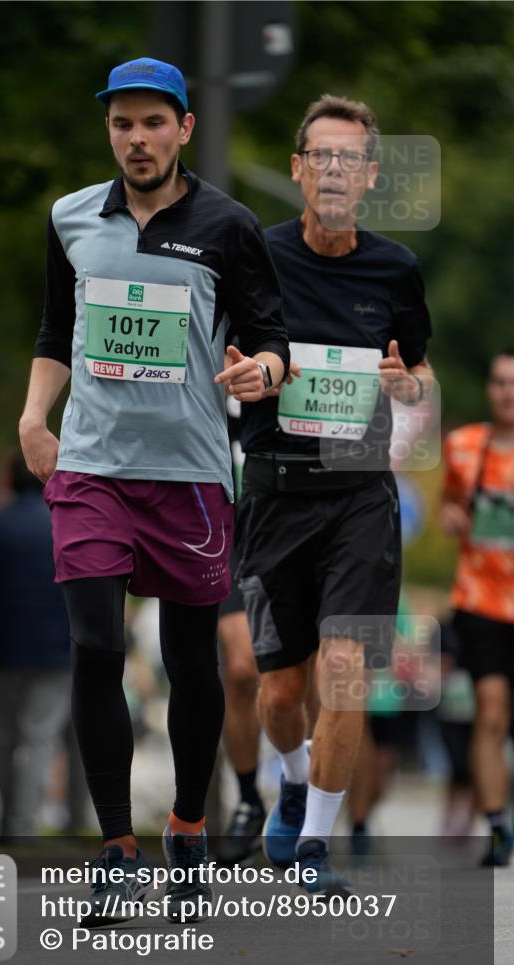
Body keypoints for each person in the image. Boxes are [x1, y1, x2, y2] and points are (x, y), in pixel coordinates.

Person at [19, 58, 289, 925]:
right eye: (121, 125)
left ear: (182, 128)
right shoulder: (69, 217)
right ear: (109, 131)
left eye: (151, 123)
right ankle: (113, 851)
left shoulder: (229, 224)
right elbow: (57, 329)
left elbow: (268, 336)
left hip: (190, 476)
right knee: (95, 647)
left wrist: (262, 370)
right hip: (93, 465)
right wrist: (33, 414)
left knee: (189, 662)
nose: (136, 139)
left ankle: (185, 825)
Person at [236, 95, 434, 893]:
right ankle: (290, 777)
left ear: (369, 176)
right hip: (276, 490)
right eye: (319, 155)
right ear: (296, 168)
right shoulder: (258, 255)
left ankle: (314, 846)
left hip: (358, 494)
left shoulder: (395, 269)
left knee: (345, 672)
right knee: (280, 691)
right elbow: (227, 346)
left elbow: (417, 377)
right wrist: (247, 372)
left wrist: (405, 386)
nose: (332, 170)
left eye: (347, 158)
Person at [439, 349, 514, 865]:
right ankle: (496, 826)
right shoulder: (464, 446)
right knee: (489, 711)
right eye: (500, 382)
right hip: (480, 599)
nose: (507, 392)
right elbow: (448, 500)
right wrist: (450, 516)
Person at [0, 454, 72, 842]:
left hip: (0, 650)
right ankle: (25, 825)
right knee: (39, 739)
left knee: (5, 739)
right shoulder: (63, 525)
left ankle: (5, 825)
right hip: (54, 653)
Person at [215, 392, 265, 864]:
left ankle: (302, 791)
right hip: (226, 537)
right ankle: (249, 797)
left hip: (287, 524)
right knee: (242, 667)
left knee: (303, 674)